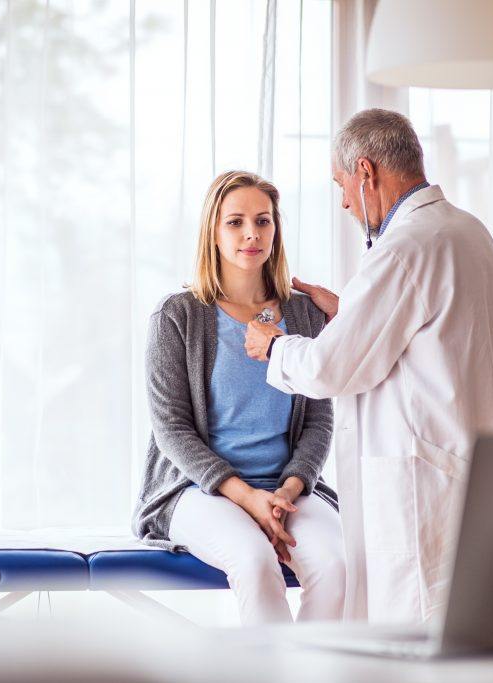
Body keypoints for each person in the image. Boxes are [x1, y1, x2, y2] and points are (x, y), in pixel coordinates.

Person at [244, 109, 493, 624]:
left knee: (412, 646)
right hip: (472, 475)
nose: (345, 202)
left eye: (342, 185)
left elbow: (329, 369)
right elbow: (434, 336)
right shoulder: (467, 232)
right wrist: (351, 313)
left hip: (423, 490)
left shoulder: (405, 248)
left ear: (366, 172)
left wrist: (274, 345)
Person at [132, 170, 345, 625]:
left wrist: (287, 490)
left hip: (287, 489)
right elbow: (171, 429)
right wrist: (247, 498)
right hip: (199, 490)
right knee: (255, 563)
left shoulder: (304, 313)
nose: (252, 233)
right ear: (213, 230)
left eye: (263, 221)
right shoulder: (178, 315)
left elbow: (319, 421)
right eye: (235, 222)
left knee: (336, 566)